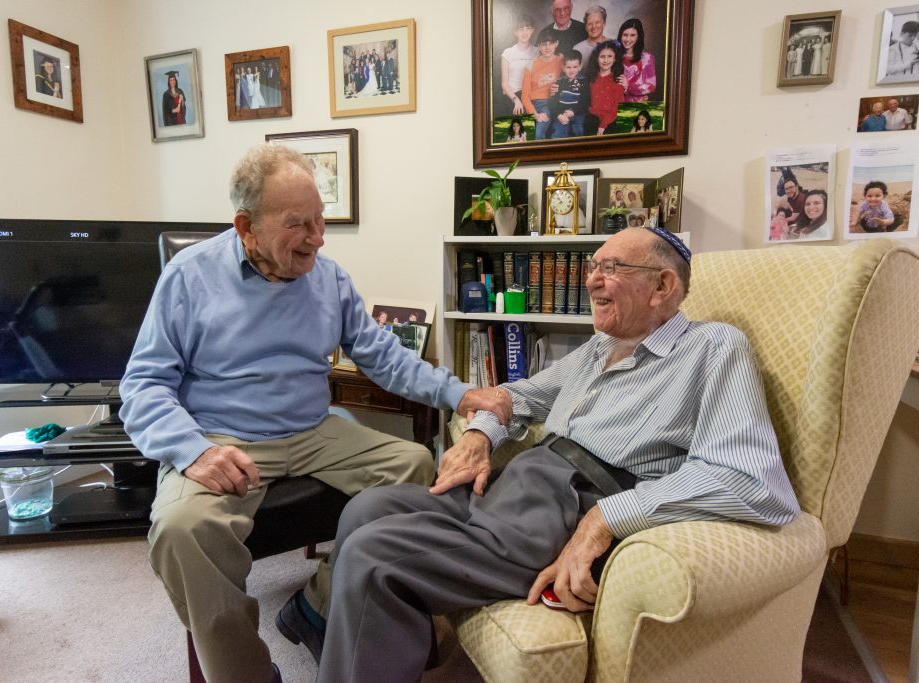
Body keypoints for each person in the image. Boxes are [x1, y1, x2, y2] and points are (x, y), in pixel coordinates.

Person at [287, 227, 800, 682]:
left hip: (569, 502)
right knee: (368, 508)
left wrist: (607, 518)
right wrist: (479, 436)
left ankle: (344, 638)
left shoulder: (712, 348)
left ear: (662, 286)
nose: (592, 280)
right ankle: (350, 640)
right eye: (592, 267)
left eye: (611, 267)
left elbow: (750, 479)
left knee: (374, 556)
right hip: (518, 486)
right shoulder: (599, 348)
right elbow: (517, 397)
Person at [119, 143, 510, 683]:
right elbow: (142, 386)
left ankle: (316, 605)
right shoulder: (189, 277)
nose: (318, 237)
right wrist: (193, 452)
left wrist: (460, 394)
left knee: (417, 466)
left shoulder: (330, 278)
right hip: (221, 436)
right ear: (246, 227)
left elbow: (384, 357)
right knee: (181, 528)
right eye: (297, 224)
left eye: (320, 220)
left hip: (313, 431)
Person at [521, 27, 563, 140]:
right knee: (538, 134)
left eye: (551, 43)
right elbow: (525, 96)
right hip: (539, 104)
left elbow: (572, 79)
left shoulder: (562, 62)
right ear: (538, 46)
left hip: (558, 102)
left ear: (556, 44)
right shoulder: (530, 66)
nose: (547, 47)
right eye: (544, 44)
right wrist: (535, 114)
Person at [498, 15, 538, 118]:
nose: (525, 32)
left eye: (527, 28)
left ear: (532, 30)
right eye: (521, 29)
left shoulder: (537, 52)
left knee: (528, 127)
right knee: (509, 127)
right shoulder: (507, 53)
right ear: (515, 32)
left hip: (529, 96)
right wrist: (516, 100)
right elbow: (504, 84)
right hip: (511, 96)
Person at [584, 41, 624, 136]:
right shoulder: (591, 79)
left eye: (609, 56)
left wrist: (603, 124)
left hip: (610, 121)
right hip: (592, 119)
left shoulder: (618, 80)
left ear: (614, 59)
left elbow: (617, 106)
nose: (606, 60)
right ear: (597, 59)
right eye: (602, 56)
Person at [548, 50, 588, 138]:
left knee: (578, 130)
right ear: (563, 67)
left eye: (575, 67)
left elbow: (586, 102)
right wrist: (559, 115)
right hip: (562, 113)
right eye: (568, 67)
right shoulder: (559, 82)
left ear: (580, 67)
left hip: (577, 113)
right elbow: (552, 102)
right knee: (558, 133)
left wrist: (573, 112)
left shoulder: (584, 82)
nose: (571, 70)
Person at [616, 17, 656, 102]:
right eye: (625, 35)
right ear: (620, 35)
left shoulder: (647, 57)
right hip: (615, 103)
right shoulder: (614, 55)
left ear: (638, 37)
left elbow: (651, 86)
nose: (628, 39)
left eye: (632, 35)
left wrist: (629, 86)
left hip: (637, 105)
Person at [572, 6, 609, 70]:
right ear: (585, 26)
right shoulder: (577, 49)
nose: (593, 27)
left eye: (597, 22)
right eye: (590, 24)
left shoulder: (614, 44)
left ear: (604, 24)